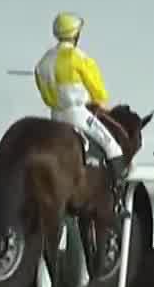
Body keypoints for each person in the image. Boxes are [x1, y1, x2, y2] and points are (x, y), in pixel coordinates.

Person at [34, 12, 128, 193]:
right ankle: (117, 194)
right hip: (77, 114)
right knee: (112, 146)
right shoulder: (80, 58)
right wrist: (101, 103)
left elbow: (44, 93)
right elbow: (97, 89)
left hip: (55, 116)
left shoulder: (43, 62)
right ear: (75, 34)